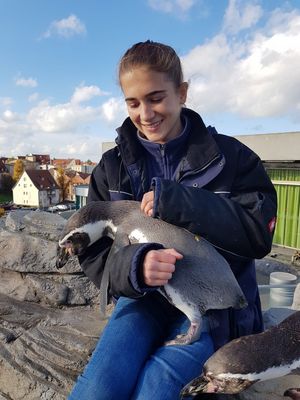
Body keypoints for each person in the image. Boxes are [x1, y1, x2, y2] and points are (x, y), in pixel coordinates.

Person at [68, 40, 277, 400]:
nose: (145, 113)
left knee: (155, 388)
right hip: (142, 302)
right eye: (133, 102)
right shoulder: (111, 169)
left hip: (213, 312)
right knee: (97, 389)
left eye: (156, 97)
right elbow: (94, 256)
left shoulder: (235, 159)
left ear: (181, 93)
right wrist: (135, 267)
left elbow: (258, 236)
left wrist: (183, 203)